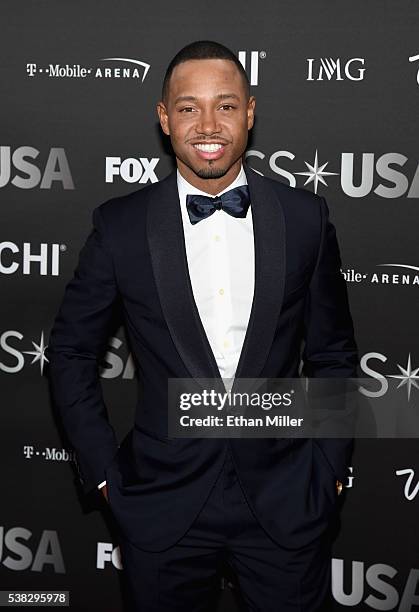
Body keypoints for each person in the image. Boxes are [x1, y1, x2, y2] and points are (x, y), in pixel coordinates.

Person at [47, 40, 358, 611]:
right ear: (164, 118)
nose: (208, 124)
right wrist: (104, 475)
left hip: (287, 499)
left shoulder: (304, 218)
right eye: (188, 107)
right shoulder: (121, 227)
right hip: (160, 503)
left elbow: (334, 355)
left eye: (226, 105)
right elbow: (69, 352)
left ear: (251, 112)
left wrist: (330, 468)